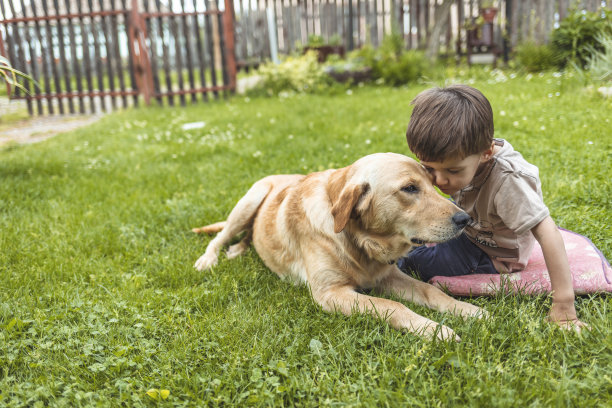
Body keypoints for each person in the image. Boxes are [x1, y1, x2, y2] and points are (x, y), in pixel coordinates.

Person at [396, 84, 588, 331]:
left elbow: (548, 233)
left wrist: (564, 303)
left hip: (490, 253)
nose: (440, 181)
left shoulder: (509, 182)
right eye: (429, 168)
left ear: (486, 152)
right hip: (473, 227)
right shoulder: (466, 156)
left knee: (412, 260)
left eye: (452, 171)